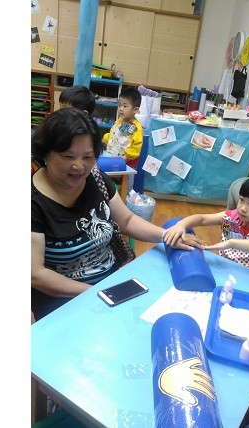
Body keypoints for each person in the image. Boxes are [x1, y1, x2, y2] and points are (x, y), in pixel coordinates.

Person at [31, 108, 195, 320]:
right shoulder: (32, 203)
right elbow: (36, 274)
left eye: (88, 157)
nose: (79, 166)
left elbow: (127, 220)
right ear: (46, 153)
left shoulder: (95, 179)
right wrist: (95, 293)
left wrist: (167, 236)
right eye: (68, 156)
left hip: (111, 285)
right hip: (66, 302)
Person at [163, 174, 249, 275]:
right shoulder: (232, 216)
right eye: (241, 200)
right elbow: (202, 219)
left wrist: (231, 243)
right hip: (222, 267)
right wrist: (181, 224)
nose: (243, 208)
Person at [102, 87, 143, 171]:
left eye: (125, 106)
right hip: (111, 158)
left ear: (135, 110)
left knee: (124, 180)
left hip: (126, 165)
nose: (121, 108)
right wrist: (103, 141)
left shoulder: (135, 128)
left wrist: (125, 157)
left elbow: (136, 147)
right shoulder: (119, 121)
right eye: (119, 105)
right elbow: (113, 135)